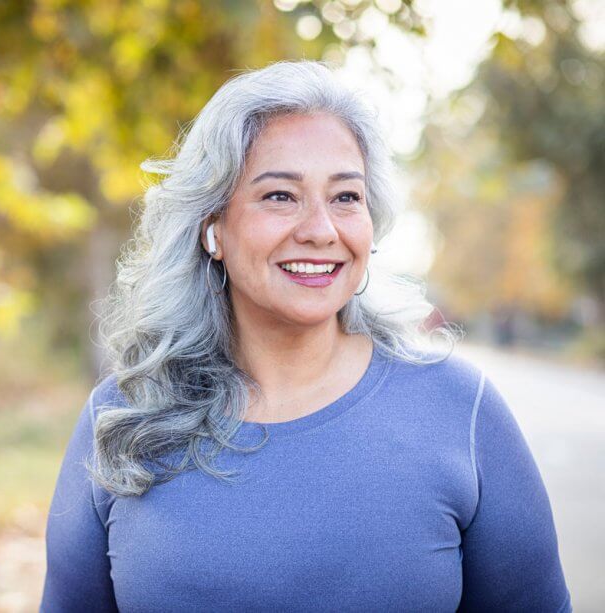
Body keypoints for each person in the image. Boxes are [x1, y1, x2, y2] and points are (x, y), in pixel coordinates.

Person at [40, 61, 571, 612]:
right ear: (212, 227)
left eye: (345, 197)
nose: (320, 230)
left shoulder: (460, 408)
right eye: (280, 196)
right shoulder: (123, 419)